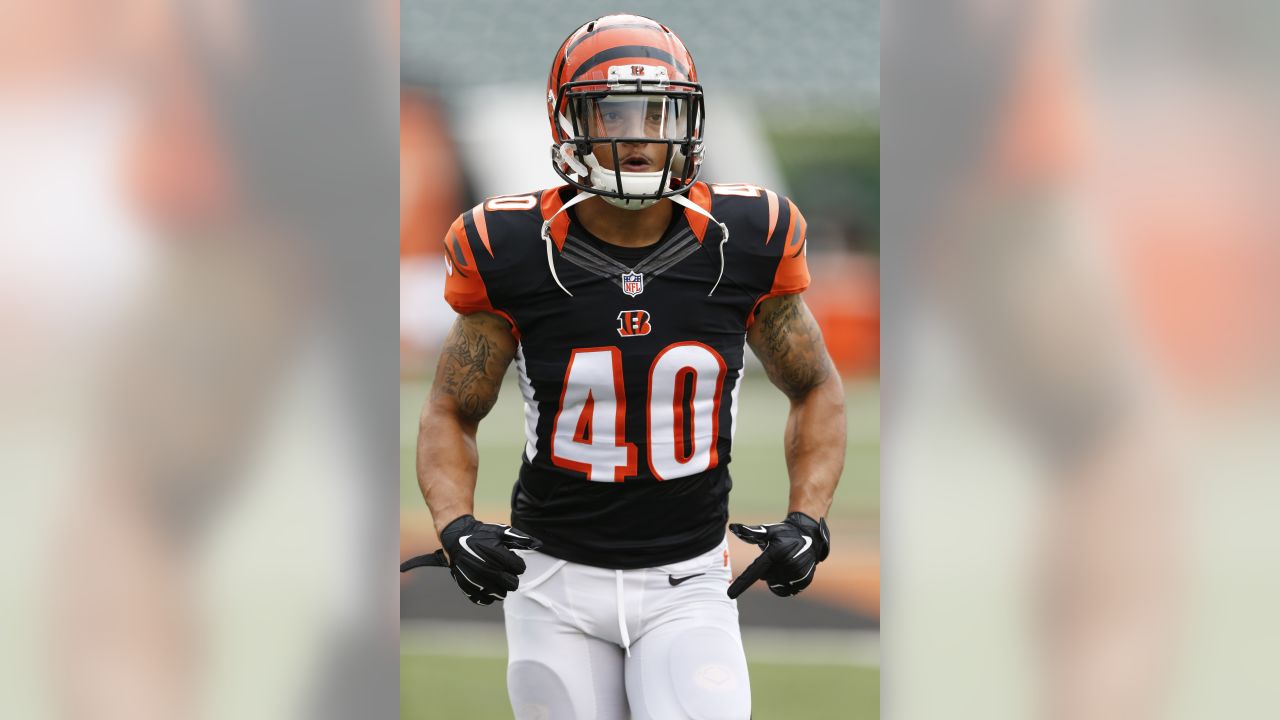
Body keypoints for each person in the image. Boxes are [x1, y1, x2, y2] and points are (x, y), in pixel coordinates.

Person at [402, 13, 846, 719]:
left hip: (689, 579)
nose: (638, 134)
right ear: (567, 120)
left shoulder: (747, 239)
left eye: (658, 111)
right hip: (551, 583)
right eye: (613, 110)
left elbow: (815, 384)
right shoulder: (511, 247)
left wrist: (809, 519)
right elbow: (453, 407)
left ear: (689, 121)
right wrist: (456, 524)